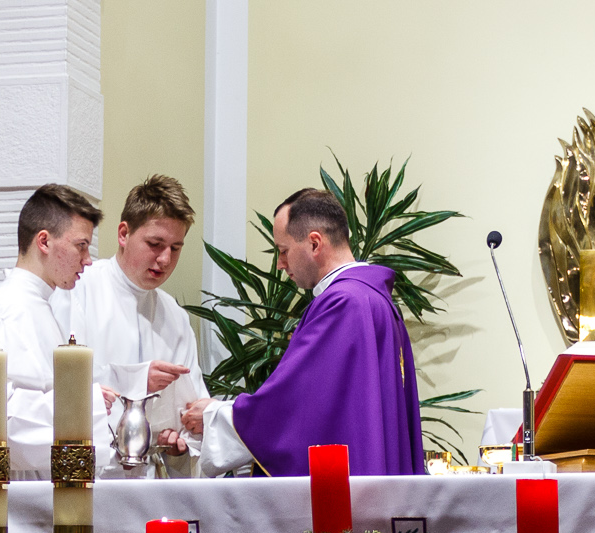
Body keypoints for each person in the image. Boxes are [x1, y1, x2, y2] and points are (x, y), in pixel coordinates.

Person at [181, 188, 426, 477]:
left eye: (283, 250)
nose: (280, 263)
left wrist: (215, 415)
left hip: (349, 491)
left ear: (314, 243)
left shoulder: (342, 303)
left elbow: (295, 406)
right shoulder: (375, 300)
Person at [61, 174, 205, 474]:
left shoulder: (175, 316)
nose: (164, 259)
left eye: (176, 247)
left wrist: (181, 439)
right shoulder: (79, 290)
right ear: (124, 234)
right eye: (155, 244)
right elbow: (63, 387)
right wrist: (136, 382)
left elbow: (192, 405)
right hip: (92, 474)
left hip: (149, 481)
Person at [0, 184, 102, 480]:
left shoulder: (35, 306)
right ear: (44, 242)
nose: (88, 260)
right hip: (15, 495)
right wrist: (89, 403)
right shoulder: (7, 310)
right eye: (81, 245)